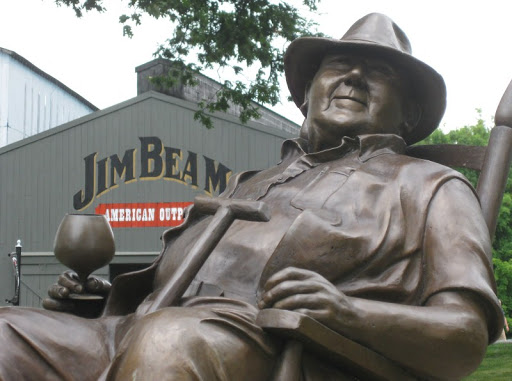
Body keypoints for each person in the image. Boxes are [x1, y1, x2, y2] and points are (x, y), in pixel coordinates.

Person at [0, 13, 504, 381]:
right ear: (307, 94)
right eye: (339, 65)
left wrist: (348, 314)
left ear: (409, 116)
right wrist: (93, 306)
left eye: (380, 73)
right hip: (135, 331)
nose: (353, 77)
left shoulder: (427, 185)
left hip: (277, 349)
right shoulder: (248, 181)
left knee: (171, 342)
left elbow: (462, 338)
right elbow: (159, 294)